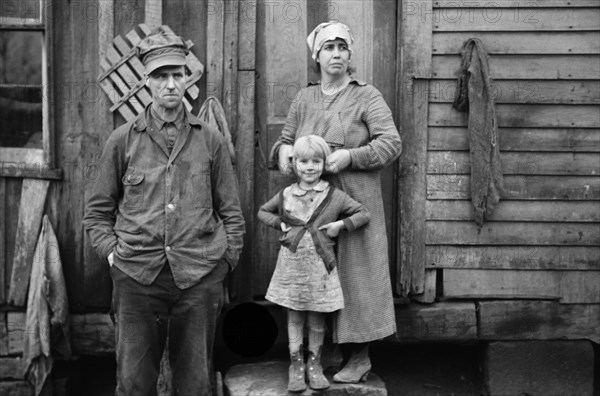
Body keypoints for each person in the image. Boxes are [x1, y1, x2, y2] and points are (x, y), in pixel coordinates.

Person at [84, 31, 244, 395]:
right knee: (134, 383)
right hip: (137, 276)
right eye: (160, 76)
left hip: (198, 276)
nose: (170, 84)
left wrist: (225, 262)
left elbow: (232, 212)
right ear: (146, 81)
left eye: (177, 74)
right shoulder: (122, 140)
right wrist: (112, 255)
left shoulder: (210, 140)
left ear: (188, 78)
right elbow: (96, 213)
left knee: (194, 384)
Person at [270, 21, 402, 383]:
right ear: (317, 55)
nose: (337, 54)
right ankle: (322, 351)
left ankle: (360, 357)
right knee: (318, 275)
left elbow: (391, 143)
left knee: (357, 277)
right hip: (312, 205)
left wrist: (351, 157)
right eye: (329, 48)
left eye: (342, 48)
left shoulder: (367, 96)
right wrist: (282, 151)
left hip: (355, 201)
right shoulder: (305, 97)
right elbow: (285, 139)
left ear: (350, 54)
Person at [258, 135, 370, 391]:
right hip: (291, 268)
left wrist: (340, 225)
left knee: (317, 319)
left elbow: (364, 213)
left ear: (324, 164)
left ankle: (314, 364)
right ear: (295, 163)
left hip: (320, 270)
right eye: (304, 161)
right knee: (295, 317)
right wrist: (280, 223)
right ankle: (296, 365)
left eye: (316, 161)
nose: (309, 167)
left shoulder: (334, 196)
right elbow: (263, 212)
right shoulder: (286, 194)